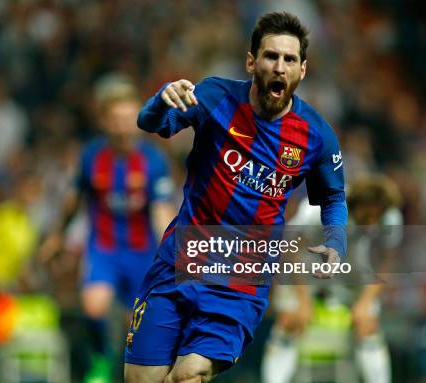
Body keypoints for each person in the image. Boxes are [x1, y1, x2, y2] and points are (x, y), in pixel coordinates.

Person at [124, 12, 348, 382]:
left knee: (188, 375)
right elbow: (152, 124)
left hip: (242, 276)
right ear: (251, 61)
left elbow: (333, 197)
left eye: (289, 59)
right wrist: (161, 101)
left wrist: (336, 240)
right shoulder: (216, 96)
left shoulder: (316, 136)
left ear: (302, 69)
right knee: (140, 380)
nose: (279, 67)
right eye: (271, 56)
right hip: (181, 259)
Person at [40, 76, 175, 381]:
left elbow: (161, 211)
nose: (124, 127)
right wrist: (57, 236)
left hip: (142, 253)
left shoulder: (152, 160)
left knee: (136, 327)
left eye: (130, 119)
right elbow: (74, 201)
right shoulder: (92, 156)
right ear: (104, 121)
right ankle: (100, 361)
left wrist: (173, 252)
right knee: (93, 307)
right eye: (117, 120)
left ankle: (124, 369)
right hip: (104, 249)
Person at [262, 175, 402, 383]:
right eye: (370, 215)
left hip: (351, 267)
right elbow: (291, 251)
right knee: (291, 322)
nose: (374, 222)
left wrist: (365, 302)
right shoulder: (320, 209)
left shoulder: (389, 216)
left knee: (367, 325)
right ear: (358, 204)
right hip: (305, 264)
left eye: (378, 216)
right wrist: (303, 301)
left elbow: (387, 260)